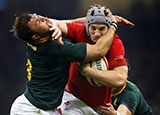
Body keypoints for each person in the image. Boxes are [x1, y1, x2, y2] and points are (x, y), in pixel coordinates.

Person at [10, 8, 118, 114]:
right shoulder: (56, 49)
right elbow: (99, 50)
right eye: (39, 21)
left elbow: (69, 22)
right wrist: (112, 25)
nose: (44, 18)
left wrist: (102, 19)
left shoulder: (34, 40)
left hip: (42, 108)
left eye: (38, 16)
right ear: (36, 36)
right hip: (28, 110)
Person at [49, 4, 134, 115]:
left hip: (99, 107)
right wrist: (55, 27)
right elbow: (50, 22)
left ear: (109, 28)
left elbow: (120, 79)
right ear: (87, 26)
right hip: (72, 97)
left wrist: (89, 71)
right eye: (93, 28)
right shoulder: (80, 31)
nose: (97, 33)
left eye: (102, 29)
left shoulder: (115, 43)